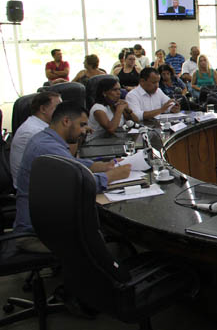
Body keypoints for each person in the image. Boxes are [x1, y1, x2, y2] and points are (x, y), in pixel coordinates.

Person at [13, 100, 132, 252]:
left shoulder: (47, 139)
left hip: (49, 223)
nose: (84, 130)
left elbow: (73, 163)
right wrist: (112, 175)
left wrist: (104, 166)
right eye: (82, 125)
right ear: (66, 121)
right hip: (37, 234)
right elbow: (80, 184)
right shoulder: (46, 147)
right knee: (100, 242)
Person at [9, 91, 61, 187]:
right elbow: (63, 161)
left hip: (38, 182)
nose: (62, 111)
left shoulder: (38, 125)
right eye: (58, 107)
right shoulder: (34, 131)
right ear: (43, 109)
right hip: (30, 191)